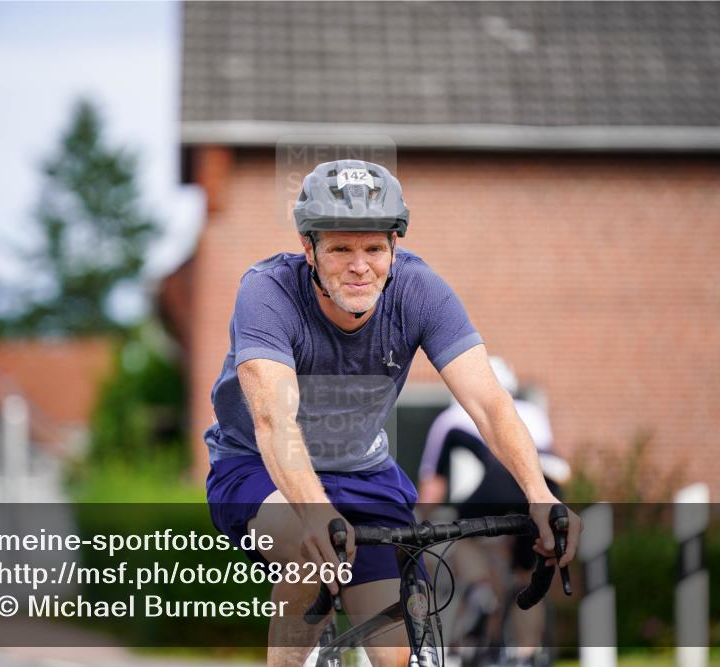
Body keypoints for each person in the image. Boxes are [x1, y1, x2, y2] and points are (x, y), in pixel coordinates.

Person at [203, 159, 581, 667]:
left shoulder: (419, 291)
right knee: (304, 551)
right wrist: (315, 513)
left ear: (394, 248)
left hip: (363, 474)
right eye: (341, 248)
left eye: (374, 248)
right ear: (309, 248)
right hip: (256, 467)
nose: (360, 265)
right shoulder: (267, 293)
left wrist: (539, 495)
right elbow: (274, 420)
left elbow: (490, 405)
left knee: (399, 654)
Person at [418, 357, 572, 666]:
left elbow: (433, 485)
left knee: (461, 533)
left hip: (500, 483)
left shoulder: (451, 417)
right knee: (529, 576)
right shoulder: (533, 412)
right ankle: (526, 656)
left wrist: (418, 521)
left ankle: (480, 590)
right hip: (548, 489)